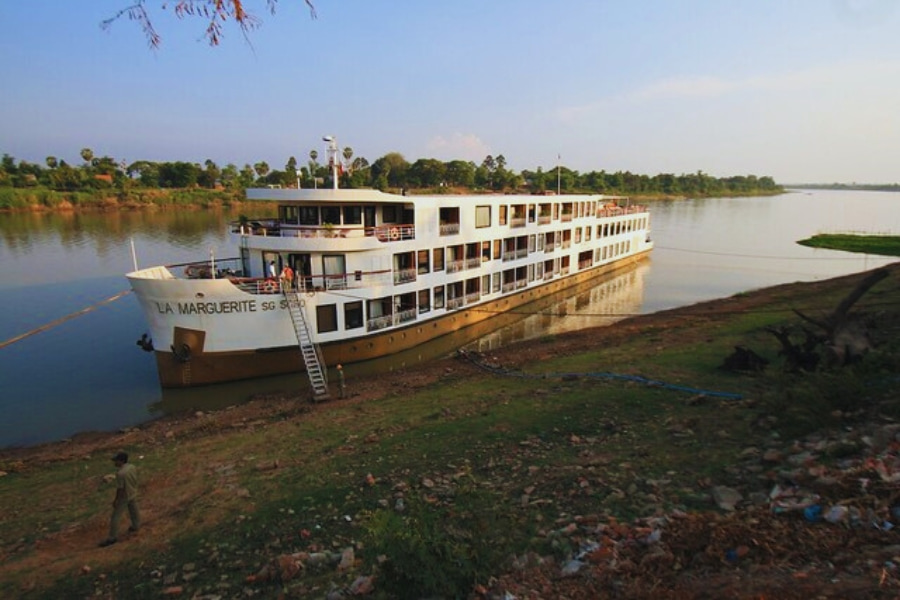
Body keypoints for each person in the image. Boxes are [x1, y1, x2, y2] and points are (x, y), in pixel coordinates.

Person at [99, 452, 140, 547]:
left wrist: (116, 500)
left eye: (116, 460)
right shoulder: (132, 467)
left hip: (124, 496)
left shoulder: (120, 474)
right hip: (132, 492)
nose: (114, 462)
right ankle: (136, 525)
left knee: (115, 517)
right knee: (134, 509)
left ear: (121, 461)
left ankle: (112, 537)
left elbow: (120, 489)